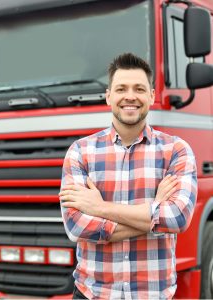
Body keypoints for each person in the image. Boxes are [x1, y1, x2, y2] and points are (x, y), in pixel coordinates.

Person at [59, 53, 197, 299]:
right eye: (121, 88)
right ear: (109, 96)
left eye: (139, 89)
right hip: (92, 293)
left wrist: (100, 208)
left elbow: (177, 219)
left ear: (152, 96)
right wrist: (154, 211)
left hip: (153, 294)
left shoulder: (176, 150)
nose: (130, 96)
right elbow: (76, 226)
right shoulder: (80, 151)